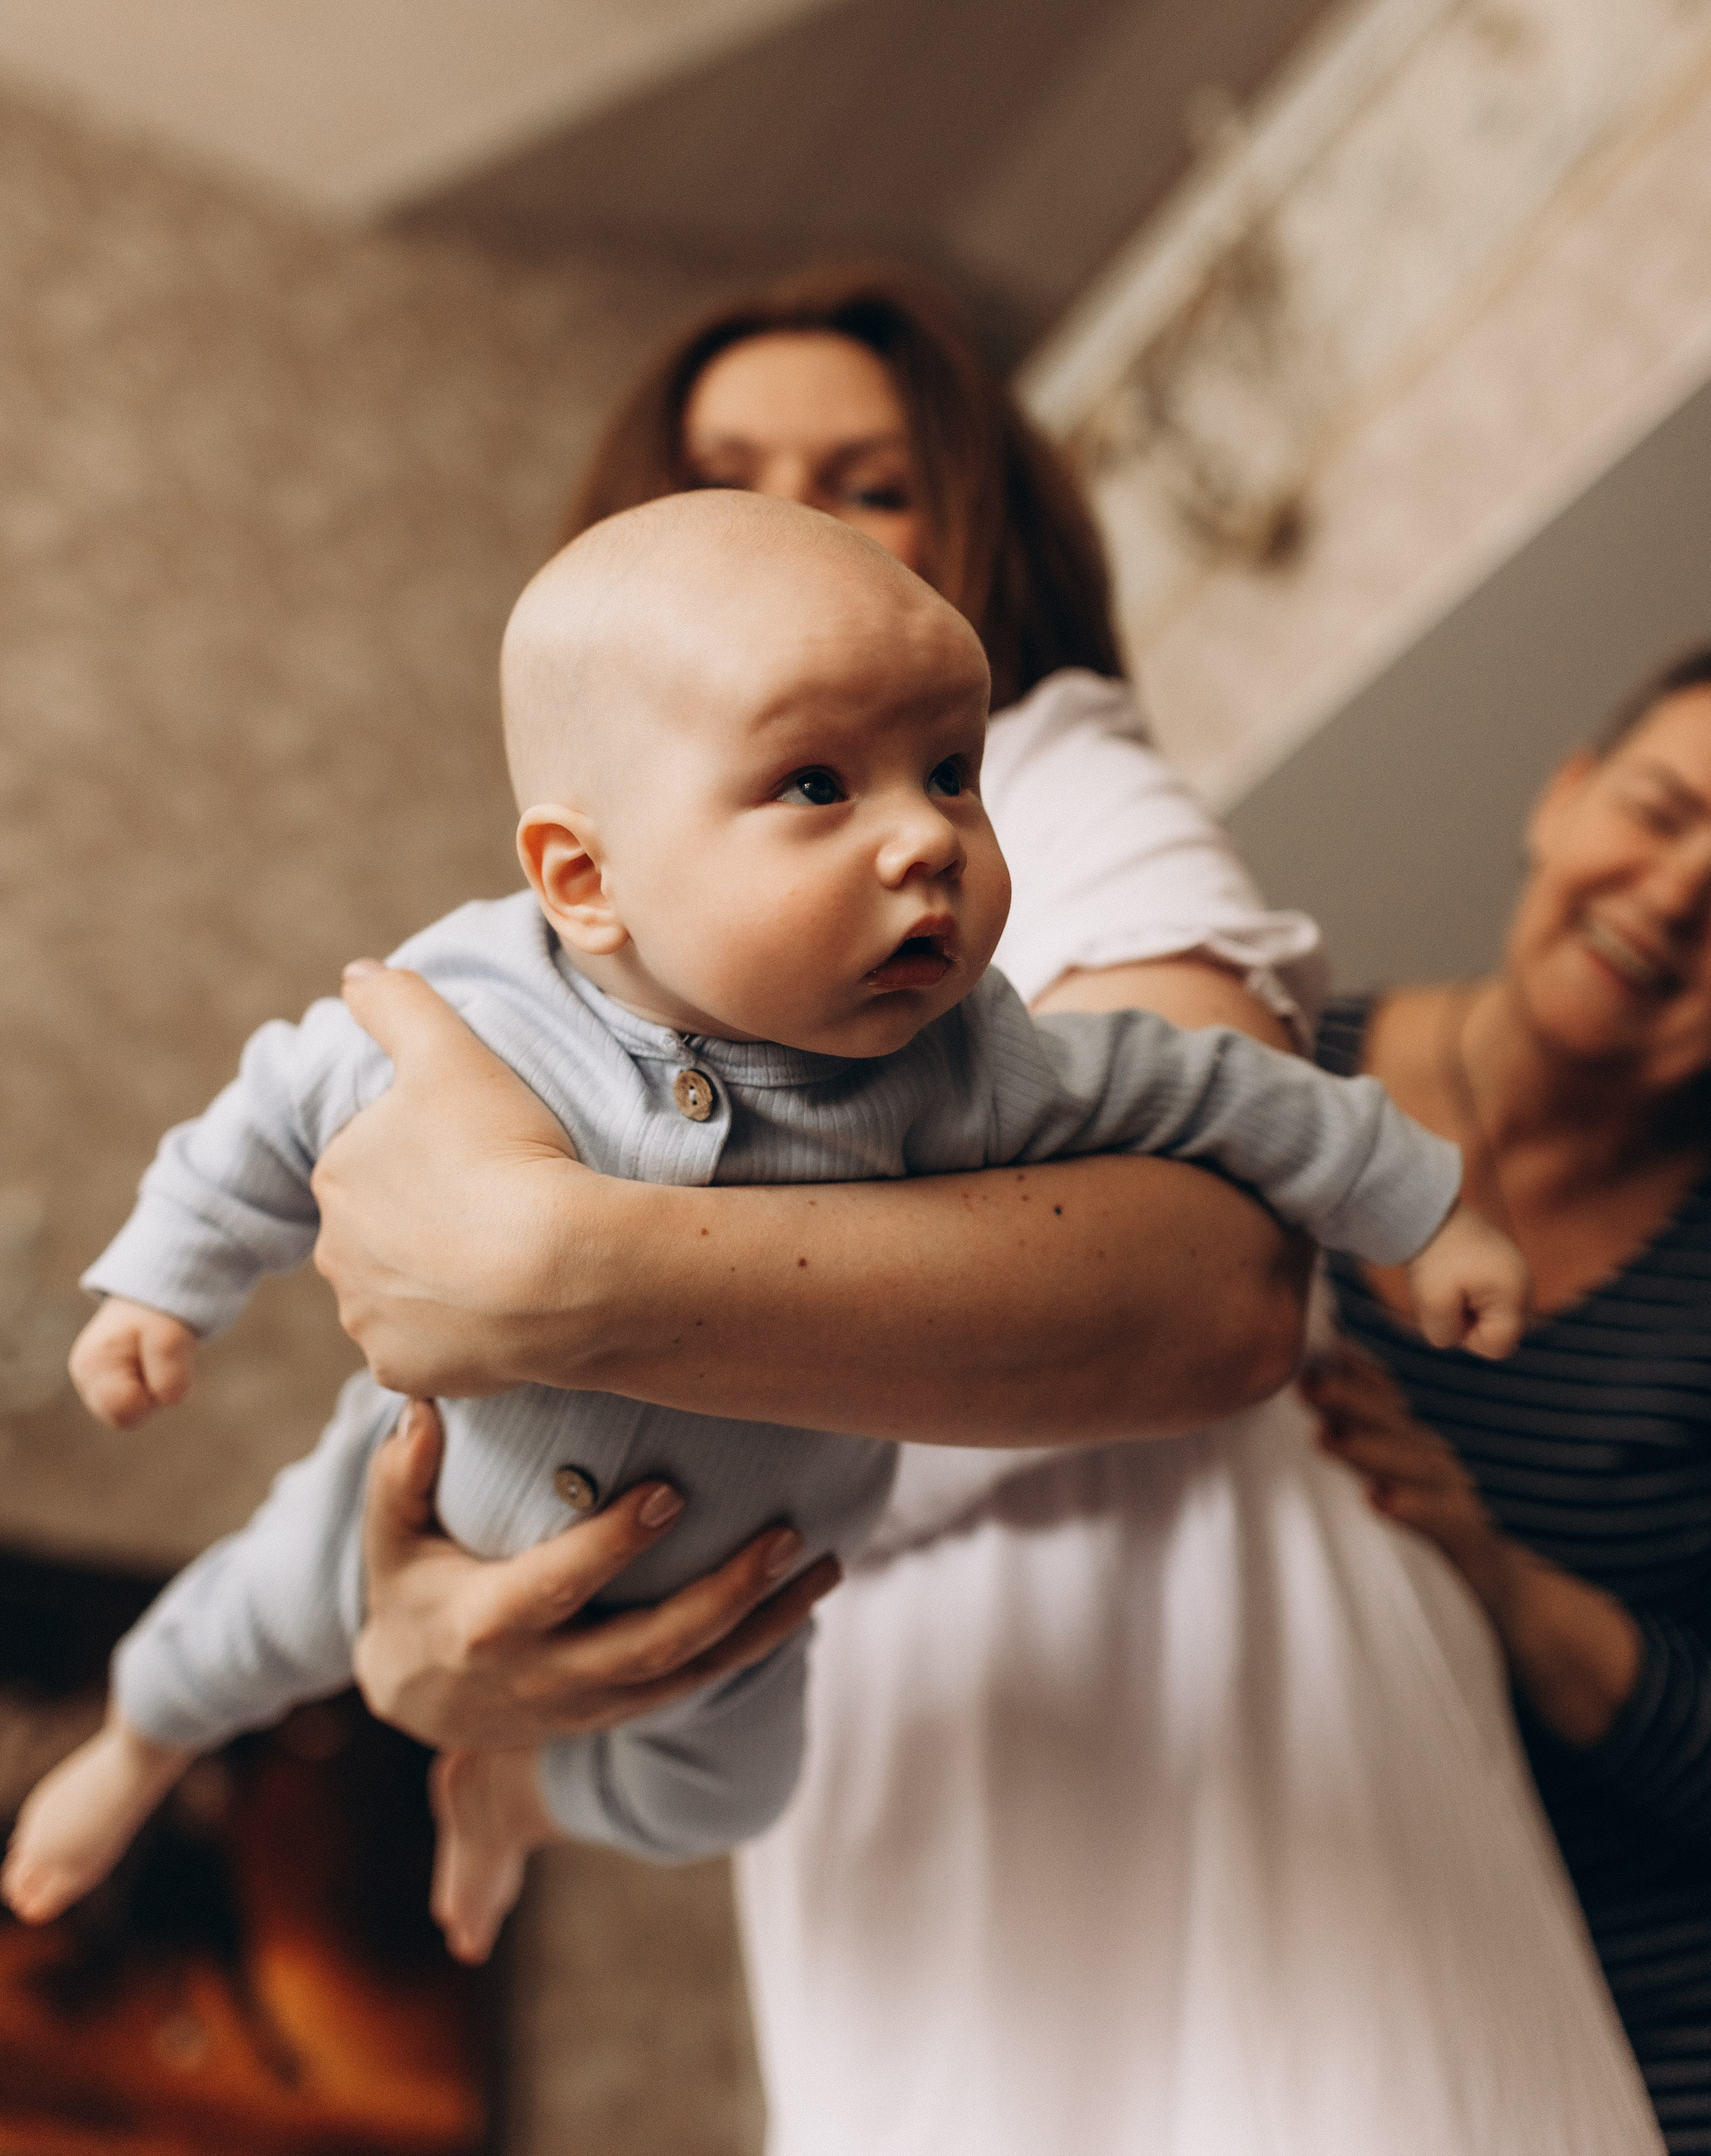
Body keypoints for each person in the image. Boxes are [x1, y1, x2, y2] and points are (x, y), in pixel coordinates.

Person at [307, 266, 1663, 2153]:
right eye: (731, 477)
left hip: (1193, 1680)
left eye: (863, 484)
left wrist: (569, 1271)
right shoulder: (580, 977)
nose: (789, 519)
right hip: (892, 1757)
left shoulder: (1050, 794)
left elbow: (1210, 1296)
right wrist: (446, 1645)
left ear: (968, 545)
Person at [3, 489, 1500, 1968]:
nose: (925, 841)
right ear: (584, 880)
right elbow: (274, 1107)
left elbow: (1227, 1094)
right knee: (248, 1622)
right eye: (816, 787)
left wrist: (1414, 1208)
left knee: (730, 1790)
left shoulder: (977, 1069)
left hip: (740, 1599)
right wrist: (160, 1289)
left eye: (953, 774)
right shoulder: (470, 1002)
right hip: (409, 1489)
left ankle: (526, 1797)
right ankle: (131, 1751)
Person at [1308, 644, 1711, 2156]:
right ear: (1561, 799)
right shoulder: (1264, 1078)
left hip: (1646, 2016)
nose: (1675, 895)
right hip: (1320, 1968)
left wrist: (1494, 1578)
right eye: (1659, 810)